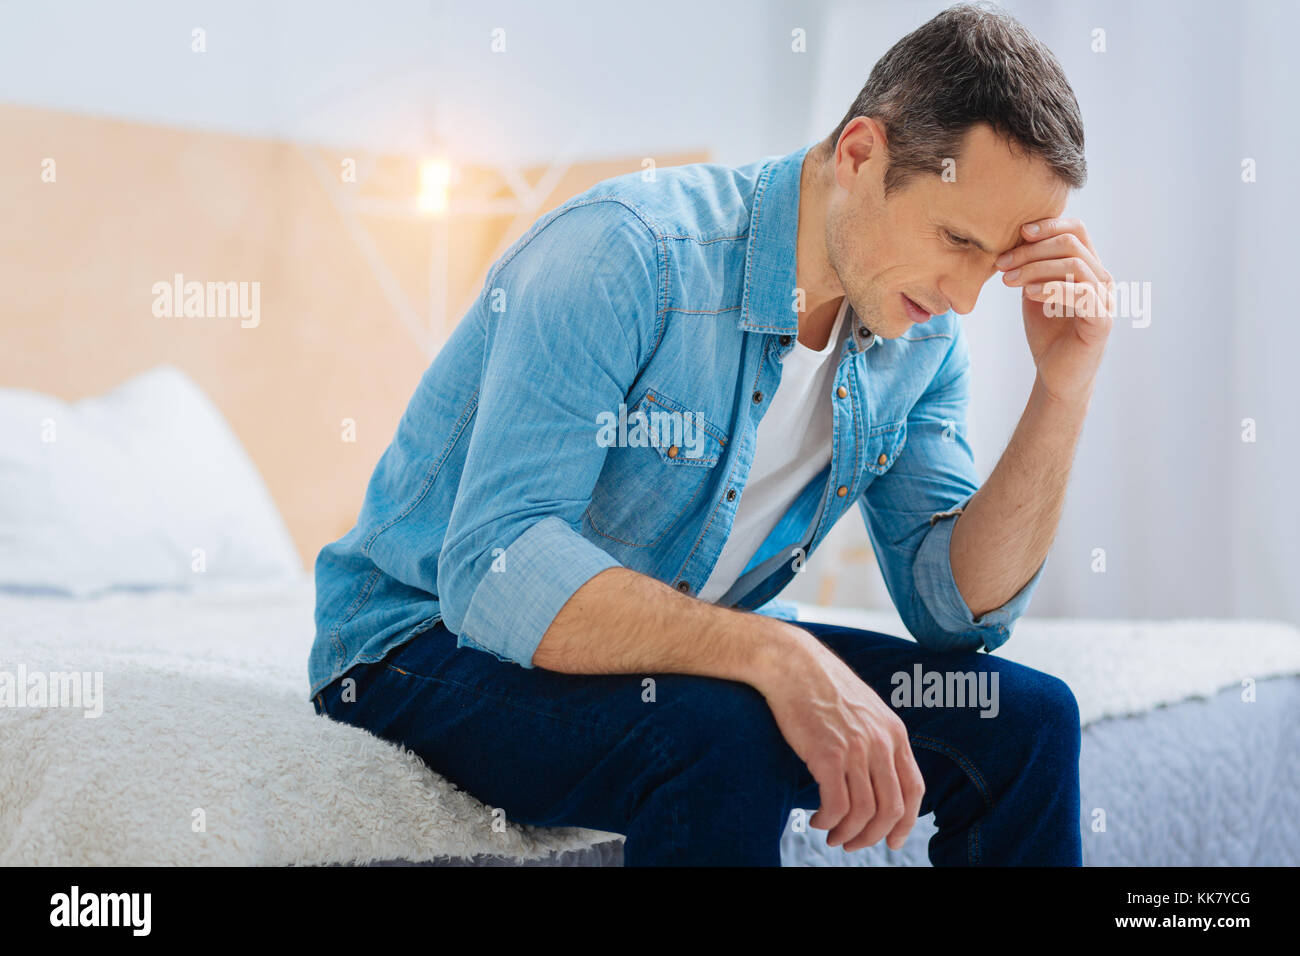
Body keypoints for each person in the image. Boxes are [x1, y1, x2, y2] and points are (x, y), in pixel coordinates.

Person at [308, 1, 1113, 866]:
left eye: (990, 263)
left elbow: (954, 613)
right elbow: (494, 568)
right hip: (414, 647)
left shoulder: (918, 337)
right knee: (725, 731)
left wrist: (1062, 389)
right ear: (859, 155)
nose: (961, 295)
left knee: (1026, 722)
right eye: (954, 239)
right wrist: (774, 652)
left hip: (664, 645)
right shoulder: (627, 254)